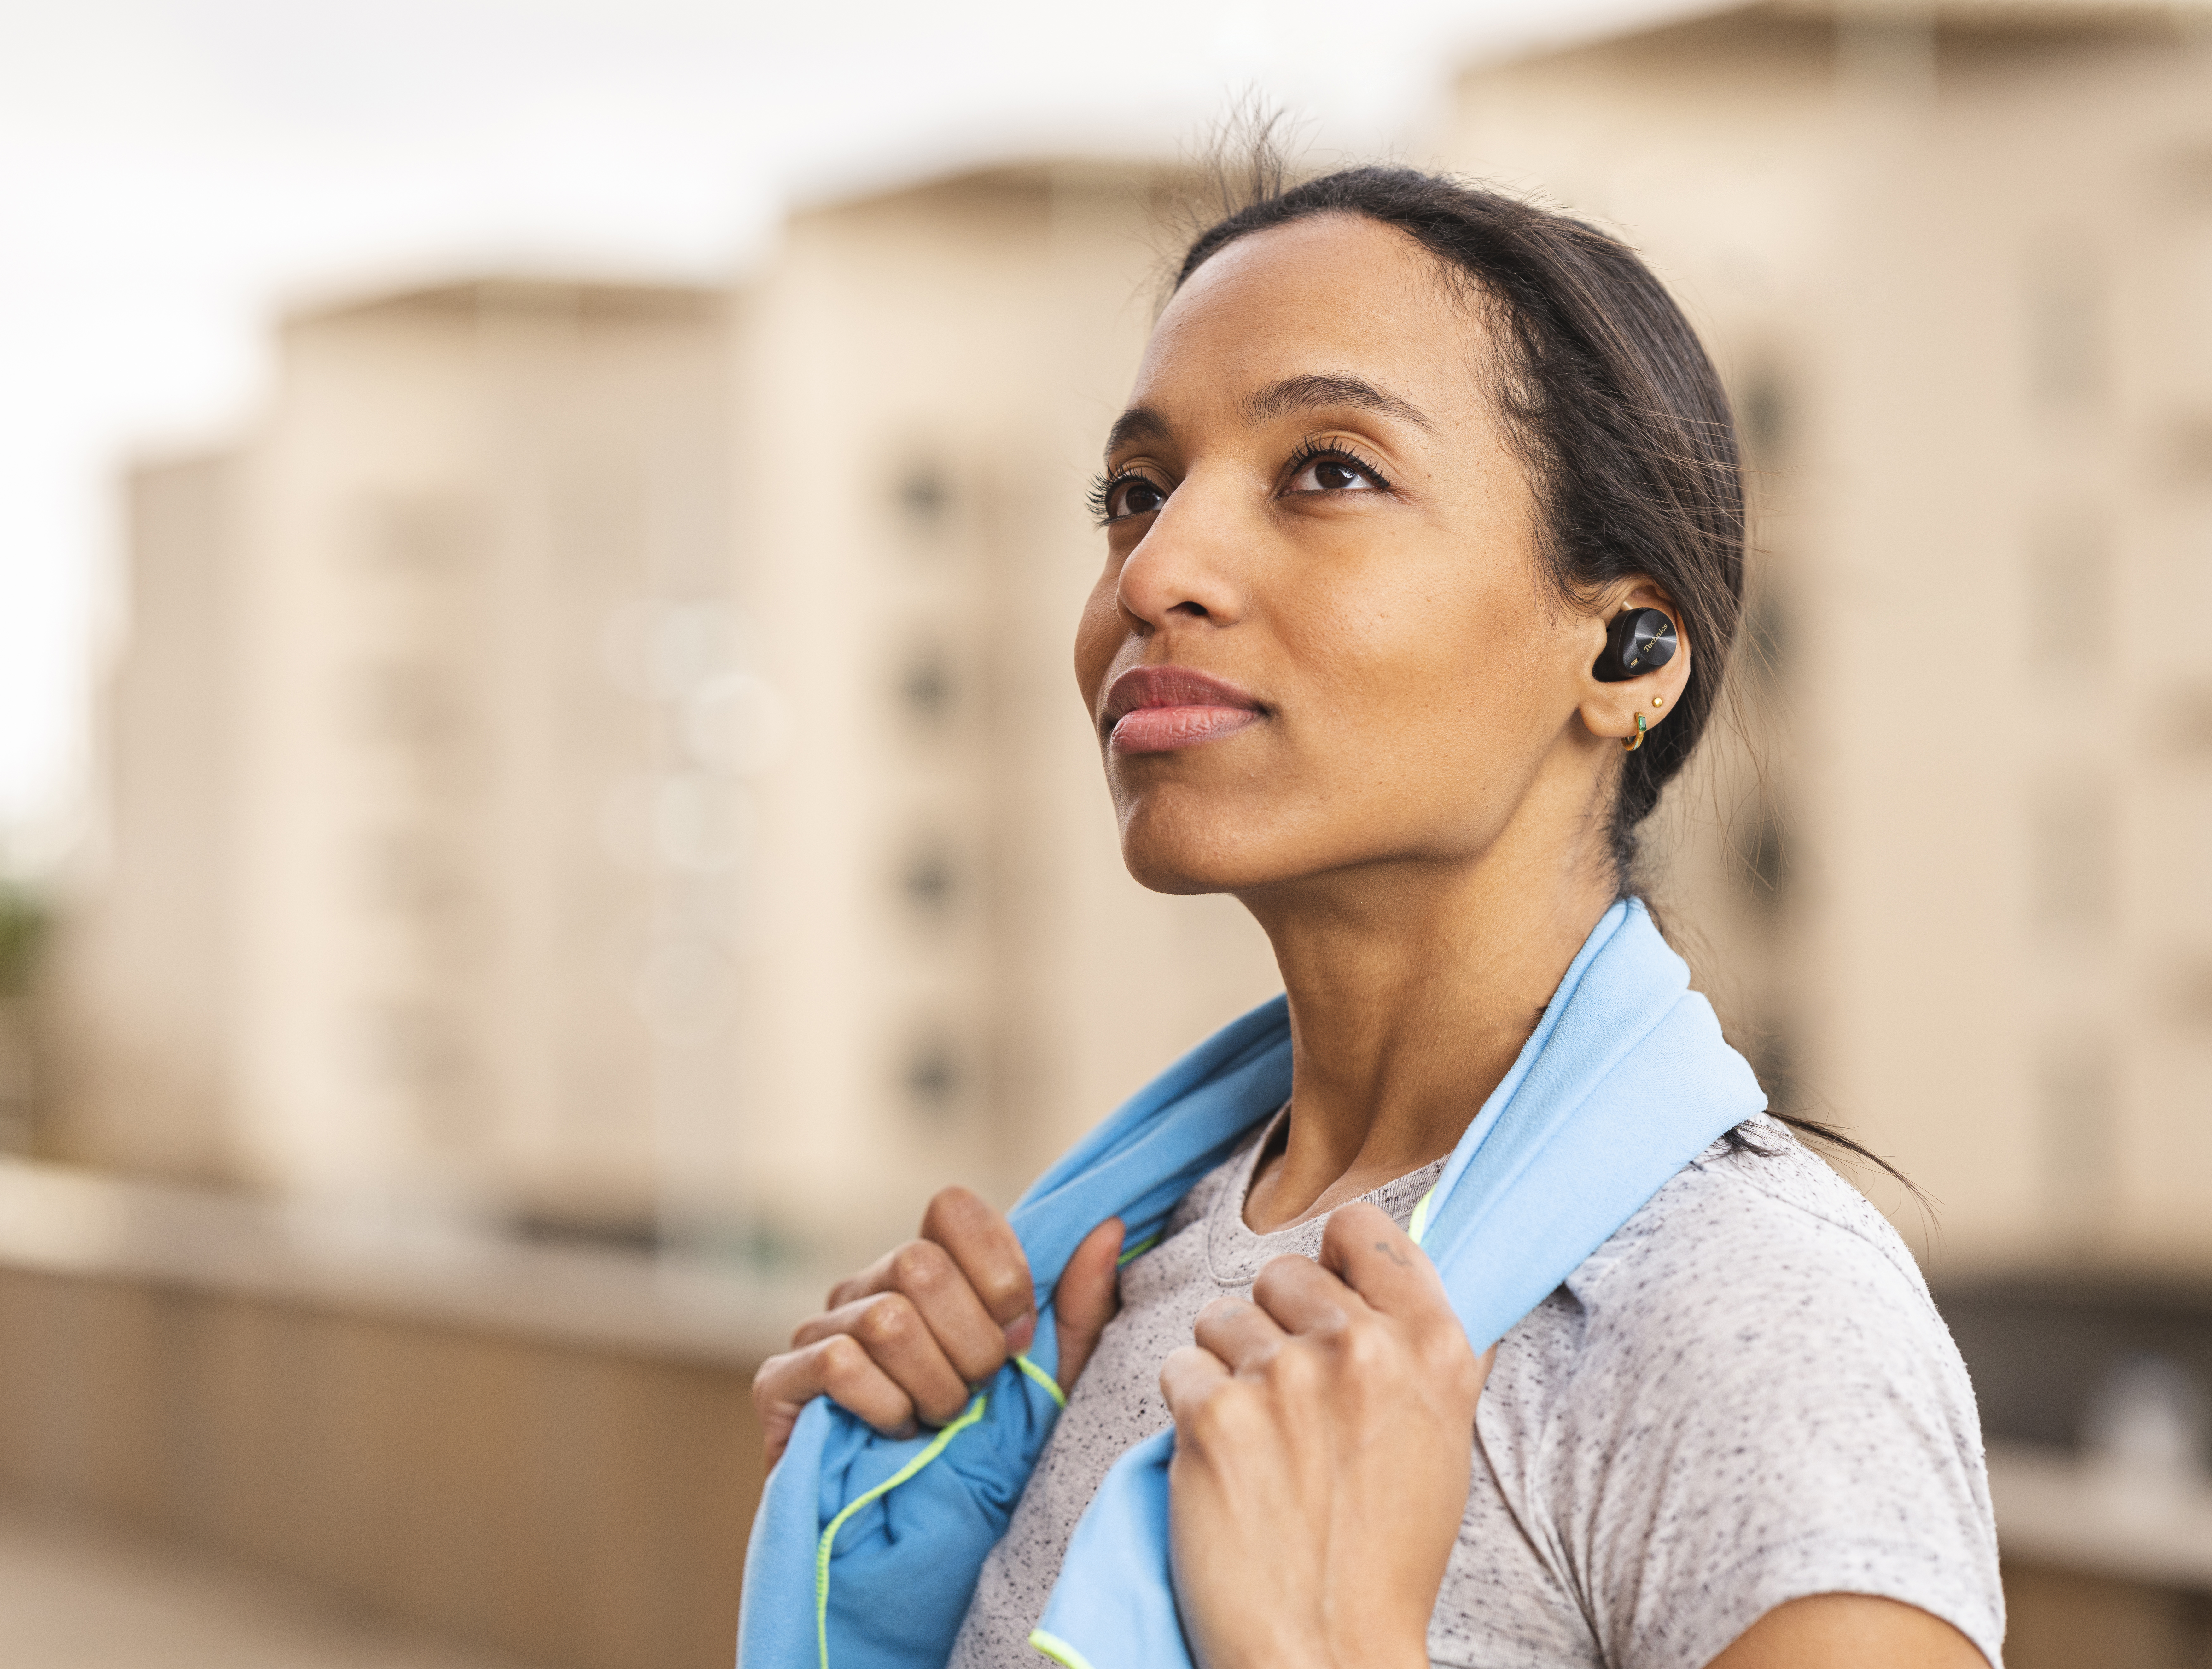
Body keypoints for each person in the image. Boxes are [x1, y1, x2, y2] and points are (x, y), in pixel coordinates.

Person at [750, 164, 2002, 1669]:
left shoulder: (1744, 1325)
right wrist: (908, 1547)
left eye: (1327, 471)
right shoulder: (1117, 1275)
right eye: (1134, 493)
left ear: (1625, 647)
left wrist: (1324, 1646)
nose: (1156, 572)